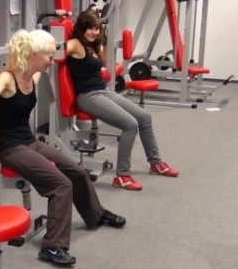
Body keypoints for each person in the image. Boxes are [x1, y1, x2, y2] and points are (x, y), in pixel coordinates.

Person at [0, 29, 126, 267]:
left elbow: (45, 56)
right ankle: (52, 246)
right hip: (12, 148)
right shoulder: (8, 79)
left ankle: (96, 214)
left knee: (77, 171)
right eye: (48, 56)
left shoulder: (32, 76)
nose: (52, 60)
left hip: (31, 142)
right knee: (61, 185)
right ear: (33, 55)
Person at [64, 10, 179, 191]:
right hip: (88, 96)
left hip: (103, 91)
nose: (94, 32)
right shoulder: (76, 44)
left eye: (96, 28)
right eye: (90, 28)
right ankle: (122, 176)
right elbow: (58, 48)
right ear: (82, 28)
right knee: (130, 125)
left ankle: (155, 163)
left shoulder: (92, 45)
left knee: (144, 117)